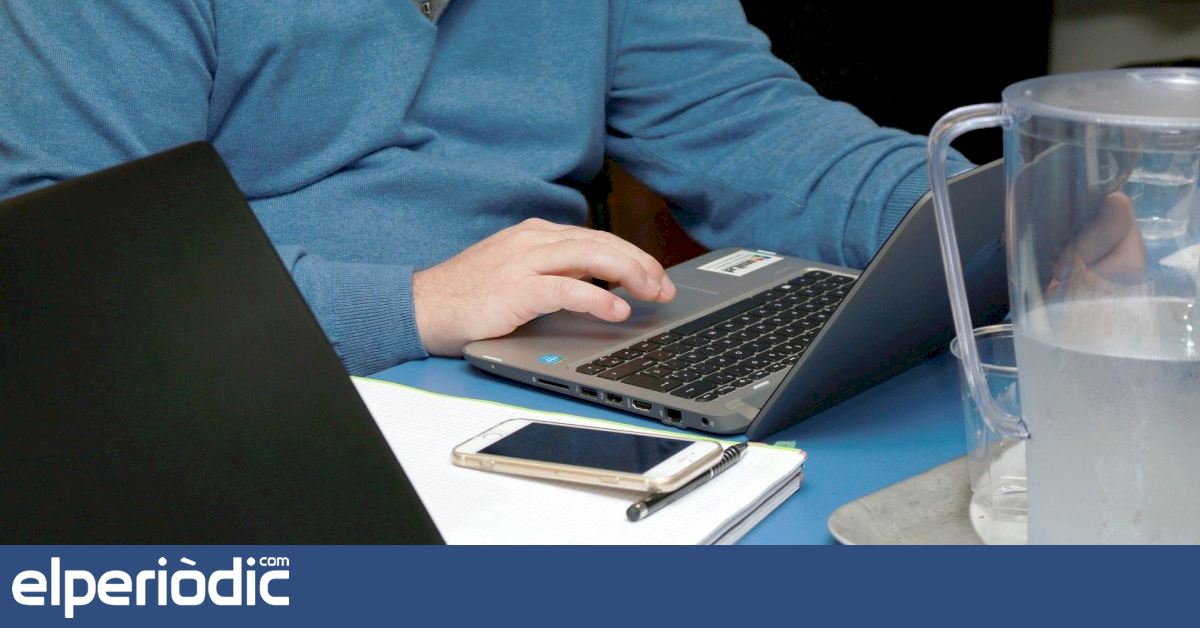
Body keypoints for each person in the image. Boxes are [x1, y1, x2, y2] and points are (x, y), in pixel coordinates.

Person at [0, 1, 973, 375]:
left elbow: (758, 133)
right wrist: (417, 304)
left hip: (543, 375)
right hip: (255, 400)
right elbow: (75, 283)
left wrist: (990, 211)